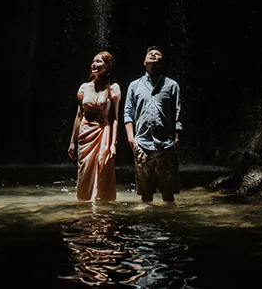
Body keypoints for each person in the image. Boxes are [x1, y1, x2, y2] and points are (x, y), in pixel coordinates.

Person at [124, 46, 182, 202]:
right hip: (142, 143)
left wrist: (176, 138)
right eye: (150, 54)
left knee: (168, 193)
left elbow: (178, 114)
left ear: (162, 63)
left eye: (157, 55)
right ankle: (147, 221)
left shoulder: (172, 85)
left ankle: (169, 222)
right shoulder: (134, 85)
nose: (153, 55)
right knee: (145, 193)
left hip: (165, 144)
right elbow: (128, 113)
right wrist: (131, 138)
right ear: (144, 62)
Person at [67, 51, 122, 201]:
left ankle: (102, 208)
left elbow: (114, 118)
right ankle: (84, 206)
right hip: (85, 134)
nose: (94, 64)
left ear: (108, 66)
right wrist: (73, 141)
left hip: (103, 132)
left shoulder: (113, 88)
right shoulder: (84, 87)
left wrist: (113, 144)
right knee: (84, 171)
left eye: (98, 62)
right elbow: (79, 115)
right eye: (93, 61)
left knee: (103, 169)